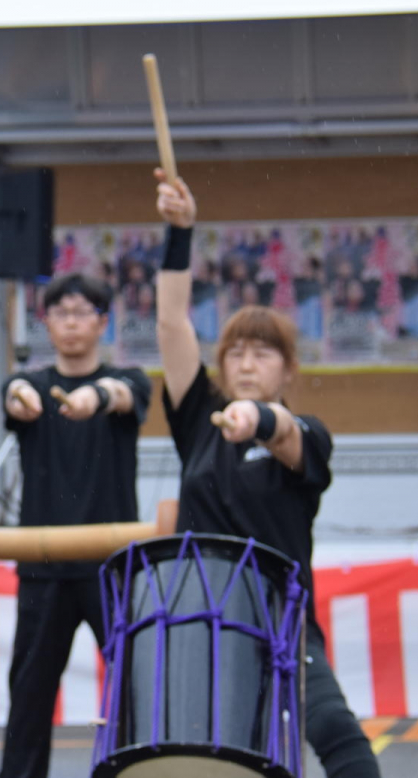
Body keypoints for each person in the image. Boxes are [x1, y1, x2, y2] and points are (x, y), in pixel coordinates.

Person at [152, 168, 382, 778]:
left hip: (282, 617)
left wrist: (258, 419)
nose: (247, 363)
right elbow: (172, 324)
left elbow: (284, 434)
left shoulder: (306, 435)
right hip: (203, 616)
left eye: (263, 352)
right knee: (214, 760)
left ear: (287, 369)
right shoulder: (199, 421)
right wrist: (180, 233)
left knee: (337, 736)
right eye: (236, 352)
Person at [0, 274, 151, 778]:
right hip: (43, 568)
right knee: (29, 695)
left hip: (111, 567)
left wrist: (95, 397)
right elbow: (13, 393)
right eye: (60, 313)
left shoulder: (130, 380)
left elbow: (122, 393)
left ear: (103, 323)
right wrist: (19, 393)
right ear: (46, 323)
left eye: (82, 312)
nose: (71, 323)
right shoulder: (33, 390)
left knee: (136, 687)